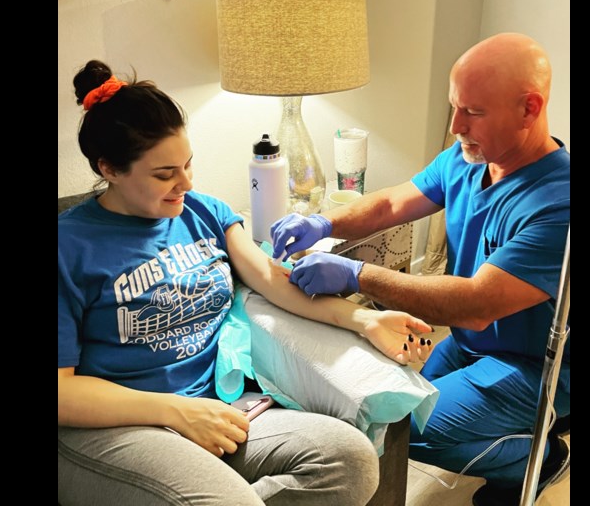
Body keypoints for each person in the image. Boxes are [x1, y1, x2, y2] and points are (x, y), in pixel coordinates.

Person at [58, 60, 434, 506]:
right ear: (111, 169)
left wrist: (361, 320)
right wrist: (175, 412)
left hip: (216, 406)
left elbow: (274, 281)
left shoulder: (204, 213)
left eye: (187, 164)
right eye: (164, 174)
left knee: (349, 460)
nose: (185, 183)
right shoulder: (69, 246)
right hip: (115, 426)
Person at [269, 33, 570, 506]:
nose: (455, 125)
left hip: (533, 367)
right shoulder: (469, 158)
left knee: (408, 434)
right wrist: (323, 221)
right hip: (474, 346)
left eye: (473, 112)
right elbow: (392, 202)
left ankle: (541, 455)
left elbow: (476, 305)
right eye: (454, 106)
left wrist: (355, 275)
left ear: (529, 109)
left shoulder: (558, 203)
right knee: (386, 410)